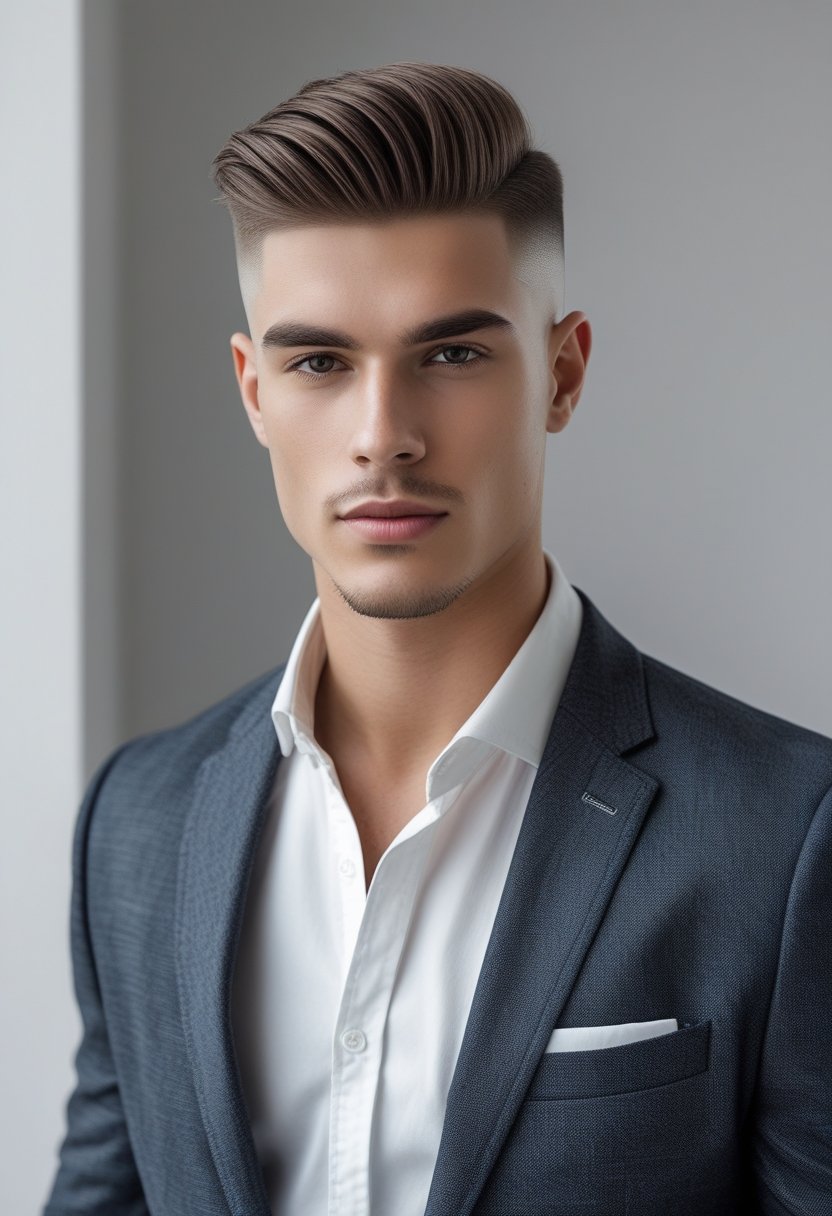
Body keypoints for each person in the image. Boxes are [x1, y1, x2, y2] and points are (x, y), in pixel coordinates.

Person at [43, 61, 831, 1216]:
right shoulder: (139, 824)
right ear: (252, 391)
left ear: (560, 372)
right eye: (319, 362)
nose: (383, 436)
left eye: (452, 354)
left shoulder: (785, 833)